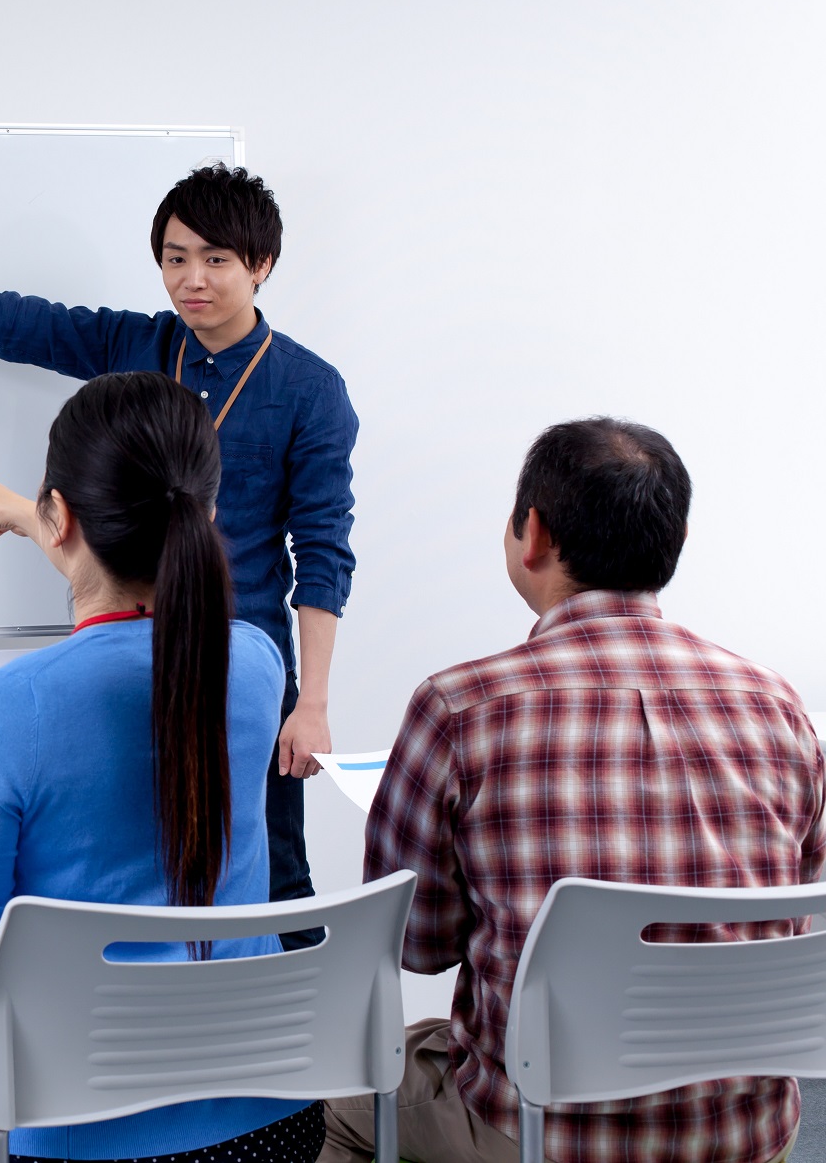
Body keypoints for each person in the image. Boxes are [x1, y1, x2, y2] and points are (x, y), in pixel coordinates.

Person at [0, 164, 355, 949]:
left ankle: (288, 1054)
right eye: (174, 256)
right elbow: (11, 321)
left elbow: (321, 551)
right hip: (121, 655)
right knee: (121, 866)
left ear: (262, 265)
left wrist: (310, 701)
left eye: (216, 259)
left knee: (270, 874)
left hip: (237, 670)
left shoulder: (311, 389)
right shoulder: (142, 343)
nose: (190, 279)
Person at [320, 419, 825, 1163]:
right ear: (675, 540)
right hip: (747, 1135)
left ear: (534, 534)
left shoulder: (459, 706)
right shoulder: (779, 705)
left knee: (345, 1096)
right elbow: (800, 919)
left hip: (540, 1134)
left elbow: (416, 947)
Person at [0, 373, 323, 1163]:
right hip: (262, 1123)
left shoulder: (3, 712)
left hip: (61, 1135)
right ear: (209, 513)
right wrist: (38, 515)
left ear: (60, 517)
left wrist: (44, 519)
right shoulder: (258, 667)